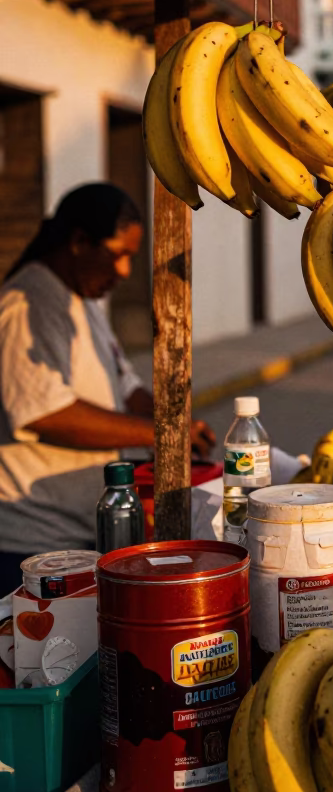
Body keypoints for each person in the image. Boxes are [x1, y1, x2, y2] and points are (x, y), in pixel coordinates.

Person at [0, 184, 215, 590]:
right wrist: (166, 436)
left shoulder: (81, 300)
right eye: (118, 255)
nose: (124, 272)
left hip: (83, 536)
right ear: (79, 241)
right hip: (34, 549)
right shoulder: (27, 305)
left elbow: (125, 385)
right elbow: (45, 411)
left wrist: (177, 420)